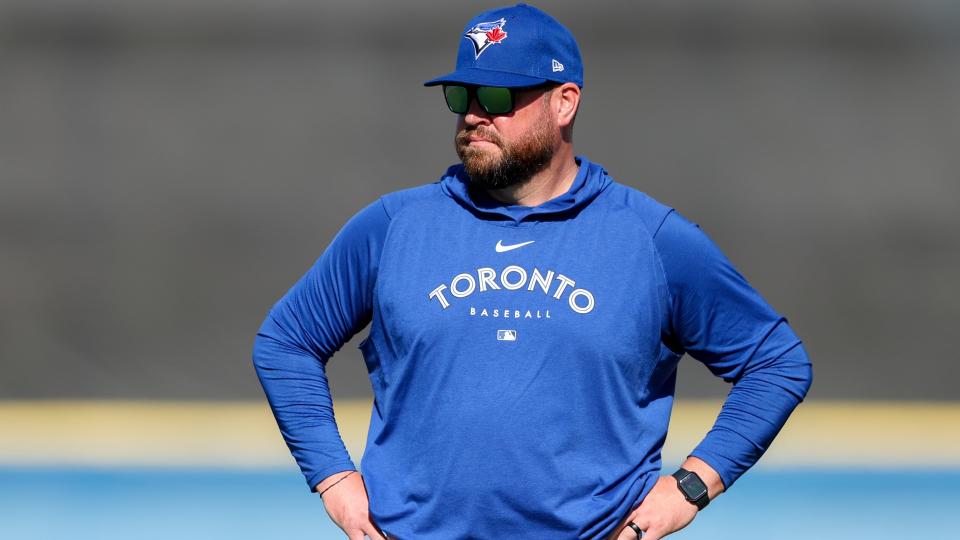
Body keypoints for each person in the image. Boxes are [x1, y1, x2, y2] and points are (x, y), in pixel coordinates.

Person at [252, 3, 813, 539]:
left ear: (564, 102)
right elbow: (286, 342)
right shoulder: (393, 226)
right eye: (460, 95)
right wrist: (333, 477)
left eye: (496, 95)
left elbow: (776, 364)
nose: (474, 114)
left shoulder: (650, 239)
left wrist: (687, 489)